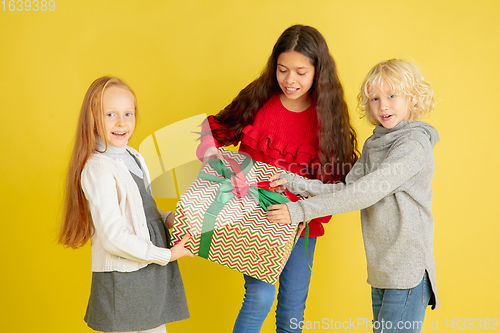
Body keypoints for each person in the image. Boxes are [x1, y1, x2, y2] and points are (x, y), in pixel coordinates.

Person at [196, 25, 359, 333]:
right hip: (255, 222)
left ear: (317, 71)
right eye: (283, 70)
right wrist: (218, 163)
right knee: (259, 296)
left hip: (301, 228)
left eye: (300, 72)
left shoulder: (328, 119)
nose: (290, 80)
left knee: (292, 311)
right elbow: (210, 131)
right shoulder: (259, 101)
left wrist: (303, 214)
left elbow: (338, 186)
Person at [268, 59, 440, 332]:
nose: (383, 105)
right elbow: (349, 189)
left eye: (392, 96)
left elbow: (365, 193)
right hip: (382, 270)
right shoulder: (376, 142)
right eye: (374, 98)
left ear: (413, 98)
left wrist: (299, 211)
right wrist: (296, 184)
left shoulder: (413, 145)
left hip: (407, 272)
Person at [59, 76, 193, 333]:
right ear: (92, 118)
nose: (122, 122)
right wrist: (166, 254)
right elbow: (112, 237)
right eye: (110, 114)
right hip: (125, 279)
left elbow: (141, 210)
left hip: (150, 273)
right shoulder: (98, 168)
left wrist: (167, 218)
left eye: (128, 113)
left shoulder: (134, 156)